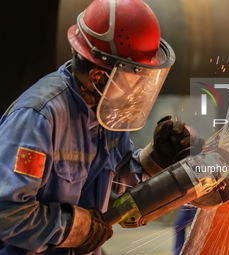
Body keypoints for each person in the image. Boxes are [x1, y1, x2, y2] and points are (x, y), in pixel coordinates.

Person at [0, 0, 204, 254]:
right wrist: (76, 228)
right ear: (98, 77)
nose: (136, 92)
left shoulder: (106, 110)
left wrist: (155, 159)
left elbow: (115, 181)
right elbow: (8, 214)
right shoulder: (38, 119)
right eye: (133, 79)